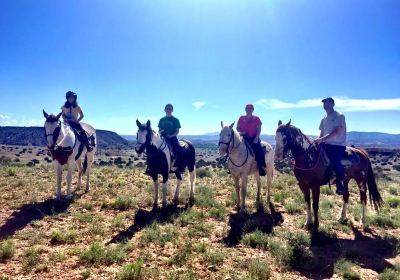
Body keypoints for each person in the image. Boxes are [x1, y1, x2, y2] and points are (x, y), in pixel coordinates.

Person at [314, 97, 347, 195]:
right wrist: (317, 141)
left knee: (335, 161)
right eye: (324, 103)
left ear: (333, 104)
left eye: (328, 103)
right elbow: (322, 134)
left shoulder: (339, 116)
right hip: (326, 144)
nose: (325, 105)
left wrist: (321, 140)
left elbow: (336, 132)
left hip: (337, 145)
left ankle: (340, 184)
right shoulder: (323, 118)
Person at [237, 104, 266, 176]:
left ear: (253, 110)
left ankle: (261, 168)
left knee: (260, 151)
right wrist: (241, 132)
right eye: (247, 108)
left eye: (250, 108)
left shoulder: (256, 119)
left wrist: (256, 138)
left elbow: (259, 129)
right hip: (243, 137)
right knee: (234, 148)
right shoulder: (241, 118)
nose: (248, 110)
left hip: (253, 138)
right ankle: (232, 167)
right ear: (245, 109)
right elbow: (237, 128)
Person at [158, 104, 184, 172]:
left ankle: (179, 166)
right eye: (167, 109)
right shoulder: (161, 120)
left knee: (178, 148)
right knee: (154, 148)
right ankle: (151, 167)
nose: (168, 110)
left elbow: (177, 131)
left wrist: (171, 135)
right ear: (164, 110)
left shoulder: (175, 120)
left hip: (172, 138)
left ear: (172, 110)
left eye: (170, 109)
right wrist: (161, 132)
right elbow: (159, 130)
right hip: (163, 138)